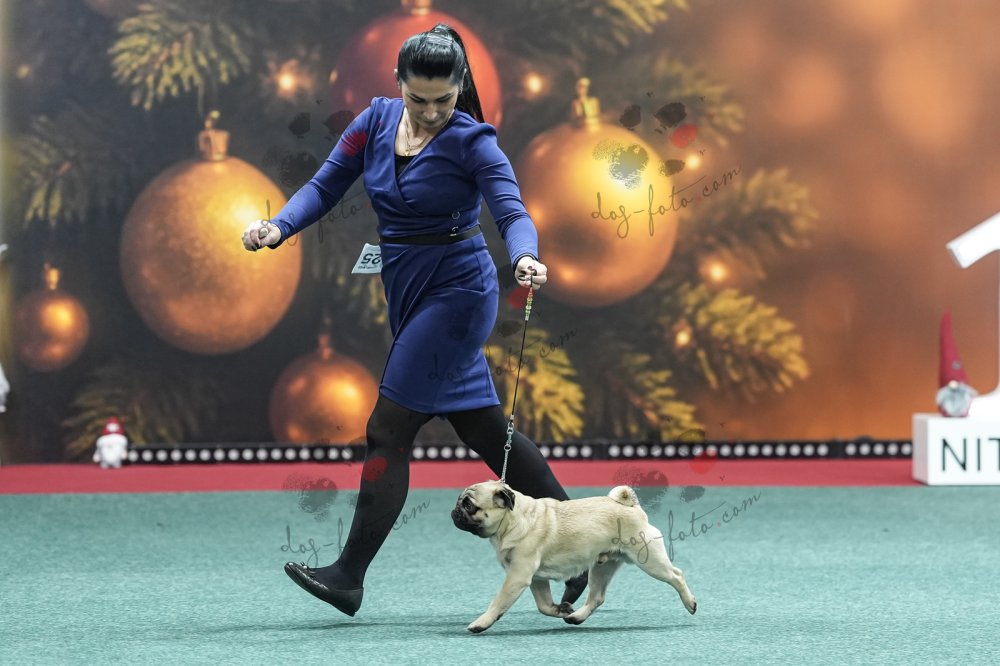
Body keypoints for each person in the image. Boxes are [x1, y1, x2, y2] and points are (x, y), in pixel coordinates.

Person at [241, 23, 588, 617]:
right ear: (398, 82)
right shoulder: (373, 122)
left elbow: (511, 211)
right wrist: (279, 226)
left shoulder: (474, 140)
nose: (429, 113)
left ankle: (348, 576)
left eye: (443, 100)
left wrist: (525, 256)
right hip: (407, 285)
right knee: (484, 429)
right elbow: (324, 186)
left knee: (388, 429)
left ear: (461, 86)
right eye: (417, 98)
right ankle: (580, 550)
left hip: (459, 294)